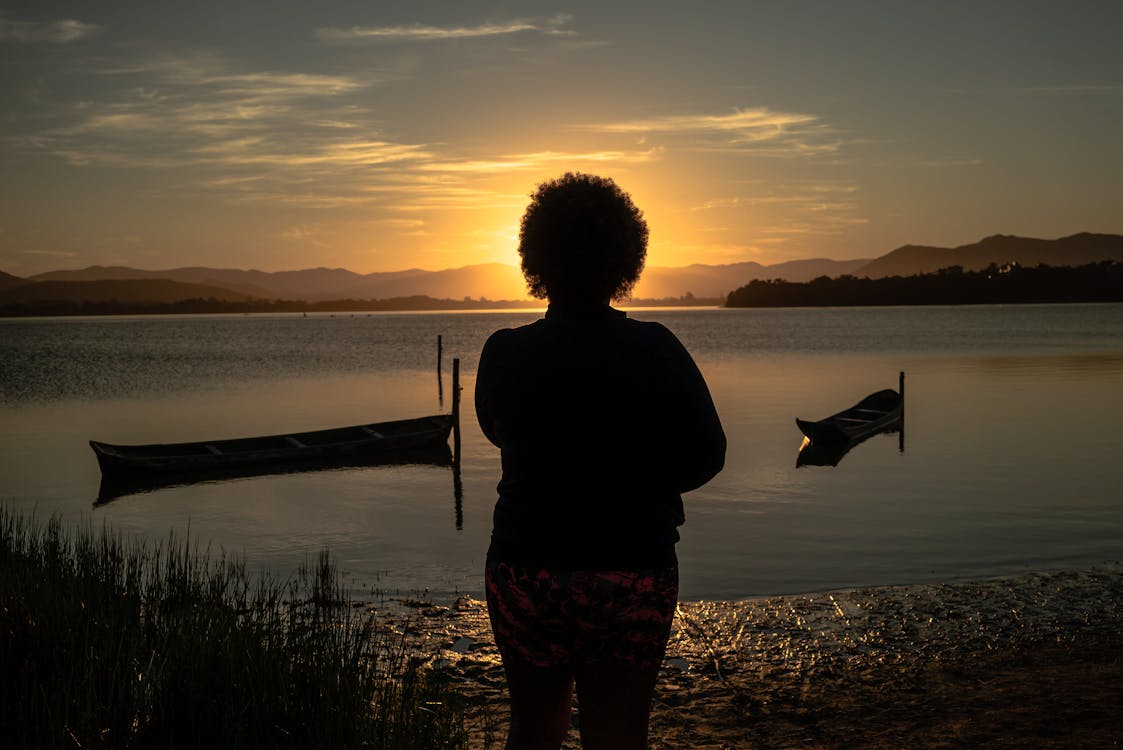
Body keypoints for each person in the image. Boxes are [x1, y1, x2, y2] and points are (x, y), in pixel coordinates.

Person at [475, 172, 726, 749]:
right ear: (624, 259)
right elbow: (708, 454)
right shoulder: (657, 347)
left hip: (525, 566)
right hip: (632, 565)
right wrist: (640, 486)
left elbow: (497, 433)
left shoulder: (505, 352)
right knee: (617, 735)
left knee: (534, 729)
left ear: (536, 258)